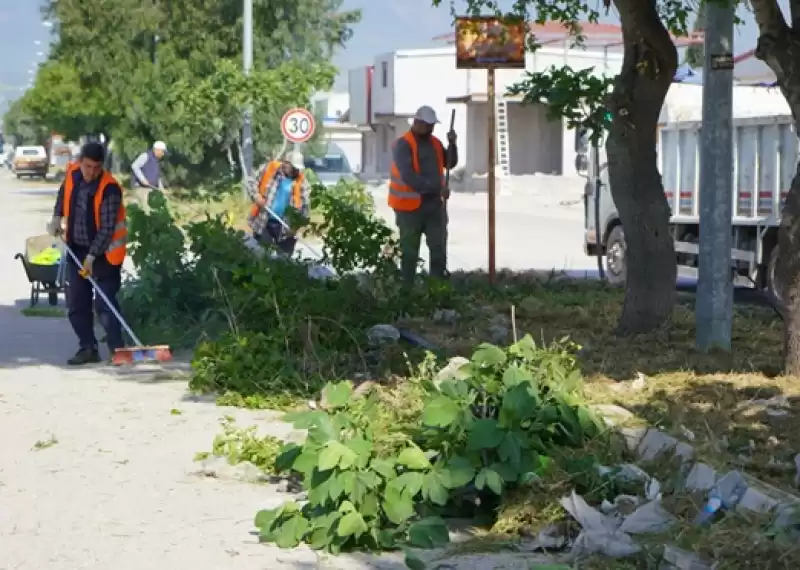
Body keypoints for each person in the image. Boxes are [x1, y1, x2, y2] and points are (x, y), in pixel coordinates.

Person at [46, 142, 127, 365]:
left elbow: (107, 228)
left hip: (105, 256)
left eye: (96, 167)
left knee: (104, 305)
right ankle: (88, 348)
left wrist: (91, 257)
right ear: (81, 161)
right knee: (76, 304)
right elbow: (63, 195)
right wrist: (56, 217)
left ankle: (117, 351)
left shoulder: (110, 188)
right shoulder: (73, 174)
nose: (91, 172)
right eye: (88, 166)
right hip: (76, 249)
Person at [389, 105, 458, 294]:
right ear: (417, 123)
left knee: (438, 249)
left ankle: (437, 290)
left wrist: (452, 144)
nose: (431, 129)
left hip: (434, 207)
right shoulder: (403, 145)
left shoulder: (435, 143)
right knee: (410, 253)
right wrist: (437, 188)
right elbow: (408, 176)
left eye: (432, 126)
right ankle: (407, 292)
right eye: (428, 125)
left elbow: (449, 162)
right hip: (409, 209)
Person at [247, 151, 310, 256]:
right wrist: (257, 197)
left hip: (285, 228)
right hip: (264, 222)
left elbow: (305, 210)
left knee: (284, 261)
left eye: (296, 168)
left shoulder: (302, 182)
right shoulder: (269, 169)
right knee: (261, 257)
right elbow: (250, 182)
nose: (295, 170)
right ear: (285, 163)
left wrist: (295, 227)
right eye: (292, 166)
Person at [130, 141, 167, 208]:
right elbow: (134, 166)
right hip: (141, 189)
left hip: (150, 190)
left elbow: (157, 177)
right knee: (143, 210)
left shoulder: (157, 161)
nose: (163, 154)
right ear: (157, 150)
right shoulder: (145, 156)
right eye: (163, 152)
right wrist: (142, 179)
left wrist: (162, 189)